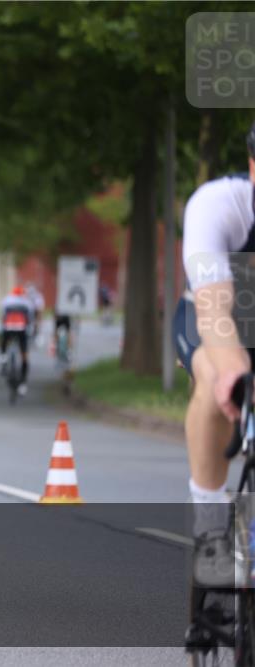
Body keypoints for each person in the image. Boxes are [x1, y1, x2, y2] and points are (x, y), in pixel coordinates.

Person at [173, 120, 255, 584]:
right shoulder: (218, 205)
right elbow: (215, 309)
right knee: (213, 372)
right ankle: (209, 518)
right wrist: (235, 372)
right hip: (212, 320)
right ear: (251, 166)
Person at [0, 285, 34, 395]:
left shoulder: (5, 300)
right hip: (22, 330)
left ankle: (3, 358)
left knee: (3, 341)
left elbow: (2, 316)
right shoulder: (27, 302)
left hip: (8, 329)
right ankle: (23, 384)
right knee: (24, 356)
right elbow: (30, 318)